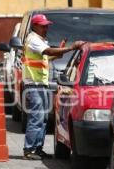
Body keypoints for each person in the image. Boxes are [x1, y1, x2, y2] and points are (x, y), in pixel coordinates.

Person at [22, 14, 84, 160]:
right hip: (34, 85)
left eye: (47, 25)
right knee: (36, 118)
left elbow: (48, 56)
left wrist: (60, 51)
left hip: (41, 85)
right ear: (35, 26)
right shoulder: (33, 40)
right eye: (43, 26)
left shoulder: (40, 41)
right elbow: (49, 52)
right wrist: (70, 48)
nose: (46, 28)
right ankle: (29, 149)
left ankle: (37, 148)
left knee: (43, 118)